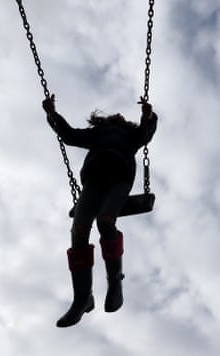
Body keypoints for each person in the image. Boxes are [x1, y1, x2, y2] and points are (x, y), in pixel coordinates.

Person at [42, 94, 157, 327]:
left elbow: (146, 134)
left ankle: (115, 281)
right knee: (79, 231)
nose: (118, 117)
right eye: (114, 117)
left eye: (121, 118)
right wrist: (52, 114)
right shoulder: (96, 134)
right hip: (94, 179)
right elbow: (70, 135)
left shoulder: (132, 136)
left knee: (105, 221)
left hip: (120, 176)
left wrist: (148, 117)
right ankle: (82, 298)